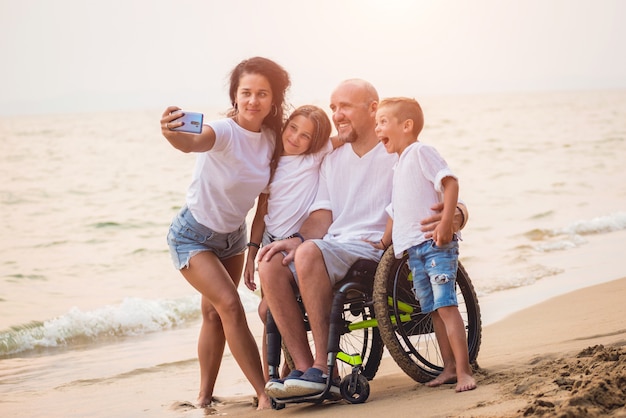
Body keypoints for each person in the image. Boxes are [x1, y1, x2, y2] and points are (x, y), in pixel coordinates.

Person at [257, 79, 470, 398]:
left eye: (344, 107)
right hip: (334, 245)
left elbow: (443, 191)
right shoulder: (331, 159)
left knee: (308, 254)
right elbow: (322, 216)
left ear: (373, 109)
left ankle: (322, 367)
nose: (337, 115)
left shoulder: (399, 152)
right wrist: (296, 238)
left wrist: (457, 216)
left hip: (377, 250)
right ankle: (303, 370)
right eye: (333, 108)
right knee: (272, 263)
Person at [160, 56, 290, 410]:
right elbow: (192, 142)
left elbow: (264, 201)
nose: (253, 101)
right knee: (230, 306)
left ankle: (203, 396)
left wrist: (251, 249)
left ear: (273, 100)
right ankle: (265, 393)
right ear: (235, 96)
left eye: (262, 94)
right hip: (192, 236)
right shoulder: (223, 131)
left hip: (233, 236)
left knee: (215, 314)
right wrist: (173, 133)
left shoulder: (271, 138)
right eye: (246, 93)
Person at [375, 97, 476, 392]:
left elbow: (450, 182)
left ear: (406, 126)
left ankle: (465, 370)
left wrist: (446, 222)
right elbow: (397, 210)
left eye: (383, 121)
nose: (378, 127)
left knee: (446, 306)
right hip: (412, 251)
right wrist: (383, 241)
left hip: (434, 245)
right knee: (432, 310)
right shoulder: (398, 165)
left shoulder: (421, 151)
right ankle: (448, 368)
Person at [242, 105, 334, 381]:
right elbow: (261, 212)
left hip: (298, 243)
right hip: (271, 242)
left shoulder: (315, 156)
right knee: (267, 312)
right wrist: (251, 252)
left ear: (314, 143)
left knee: (267, 310)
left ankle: (292, 366)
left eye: (305, 135)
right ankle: (271, 382)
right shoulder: (270, 162)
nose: (295, 137)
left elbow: (349, 138)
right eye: (292, 128)